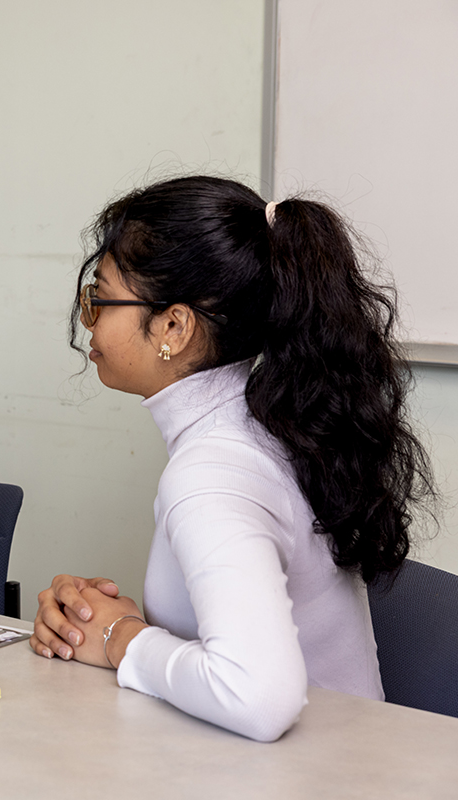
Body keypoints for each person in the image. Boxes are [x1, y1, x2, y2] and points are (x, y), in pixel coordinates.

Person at [30, 176, 436, 741]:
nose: (88, 318)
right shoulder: (270, 425)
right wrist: (98, 621)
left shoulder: (214, 471)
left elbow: (259, 697)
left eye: (99, 298)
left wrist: (118, 637)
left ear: (173, 325)